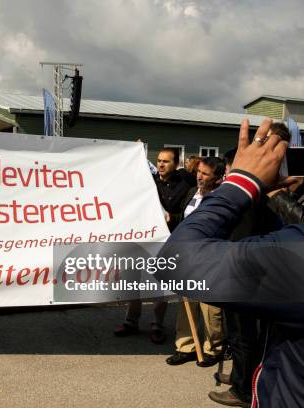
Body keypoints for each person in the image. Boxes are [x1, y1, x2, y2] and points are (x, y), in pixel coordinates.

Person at [157, 117, 304, 407]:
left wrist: (243, 183)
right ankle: (243, 380)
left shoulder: (266, 203)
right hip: (249, 269)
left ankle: (241, 386)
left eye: (266, 149)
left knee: (244, 336)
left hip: (247, 268)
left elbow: (174, 262)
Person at [114, 148, 190, 343]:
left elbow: (186, 213)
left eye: (166, 161)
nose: (161, 164)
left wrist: (172, 217)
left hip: (166, 243)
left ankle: (157, 325)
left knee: (160, 287)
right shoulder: (148, 182)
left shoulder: (185, 185)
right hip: (141, 239)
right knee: (133, 283)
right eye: (159, 160)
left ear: (176, 163)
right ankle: (131, 321)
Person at [166, 157, 226, 367]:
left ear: (217, 178)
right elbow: (183, 220)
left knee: (210, 307)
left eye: (206, 174)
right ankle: (186, 347)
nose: (199, 176)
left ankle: (214, 348)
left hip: (210, 259)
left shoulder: (222, 198)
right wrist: (170, 217)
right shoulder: (192, 193)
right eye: (199, 172)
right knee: (186, 306)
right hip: (188, 258)